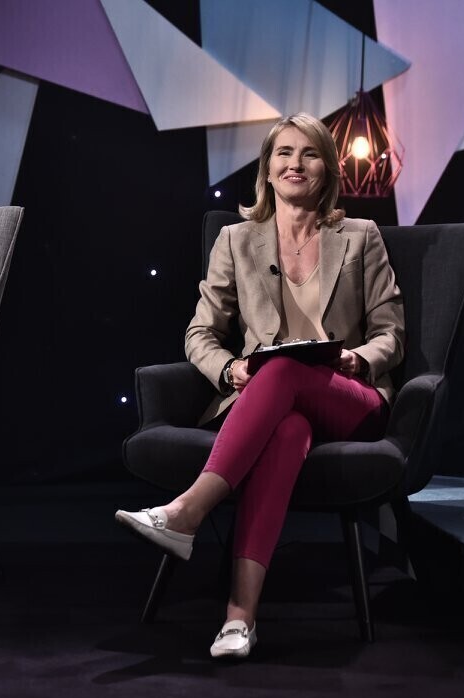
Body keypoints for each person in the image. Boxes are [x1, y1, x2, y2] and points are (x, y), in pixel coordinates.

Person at [115, 113, 404, 658]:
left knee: (286, 369)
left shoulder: (360, 236)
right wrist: (230, 370)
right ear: (267, 169)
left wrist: (358, 359)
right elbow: (200, 333)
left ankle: (187, 511)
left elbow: (391, 332)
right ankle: (239, 619)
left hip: (348, 397)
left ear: (327, 169)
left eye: (310, 153)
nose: (296, 164)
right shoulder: (236, 240)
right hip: (273, 405)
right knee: (287, 429)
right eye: (284, 153)